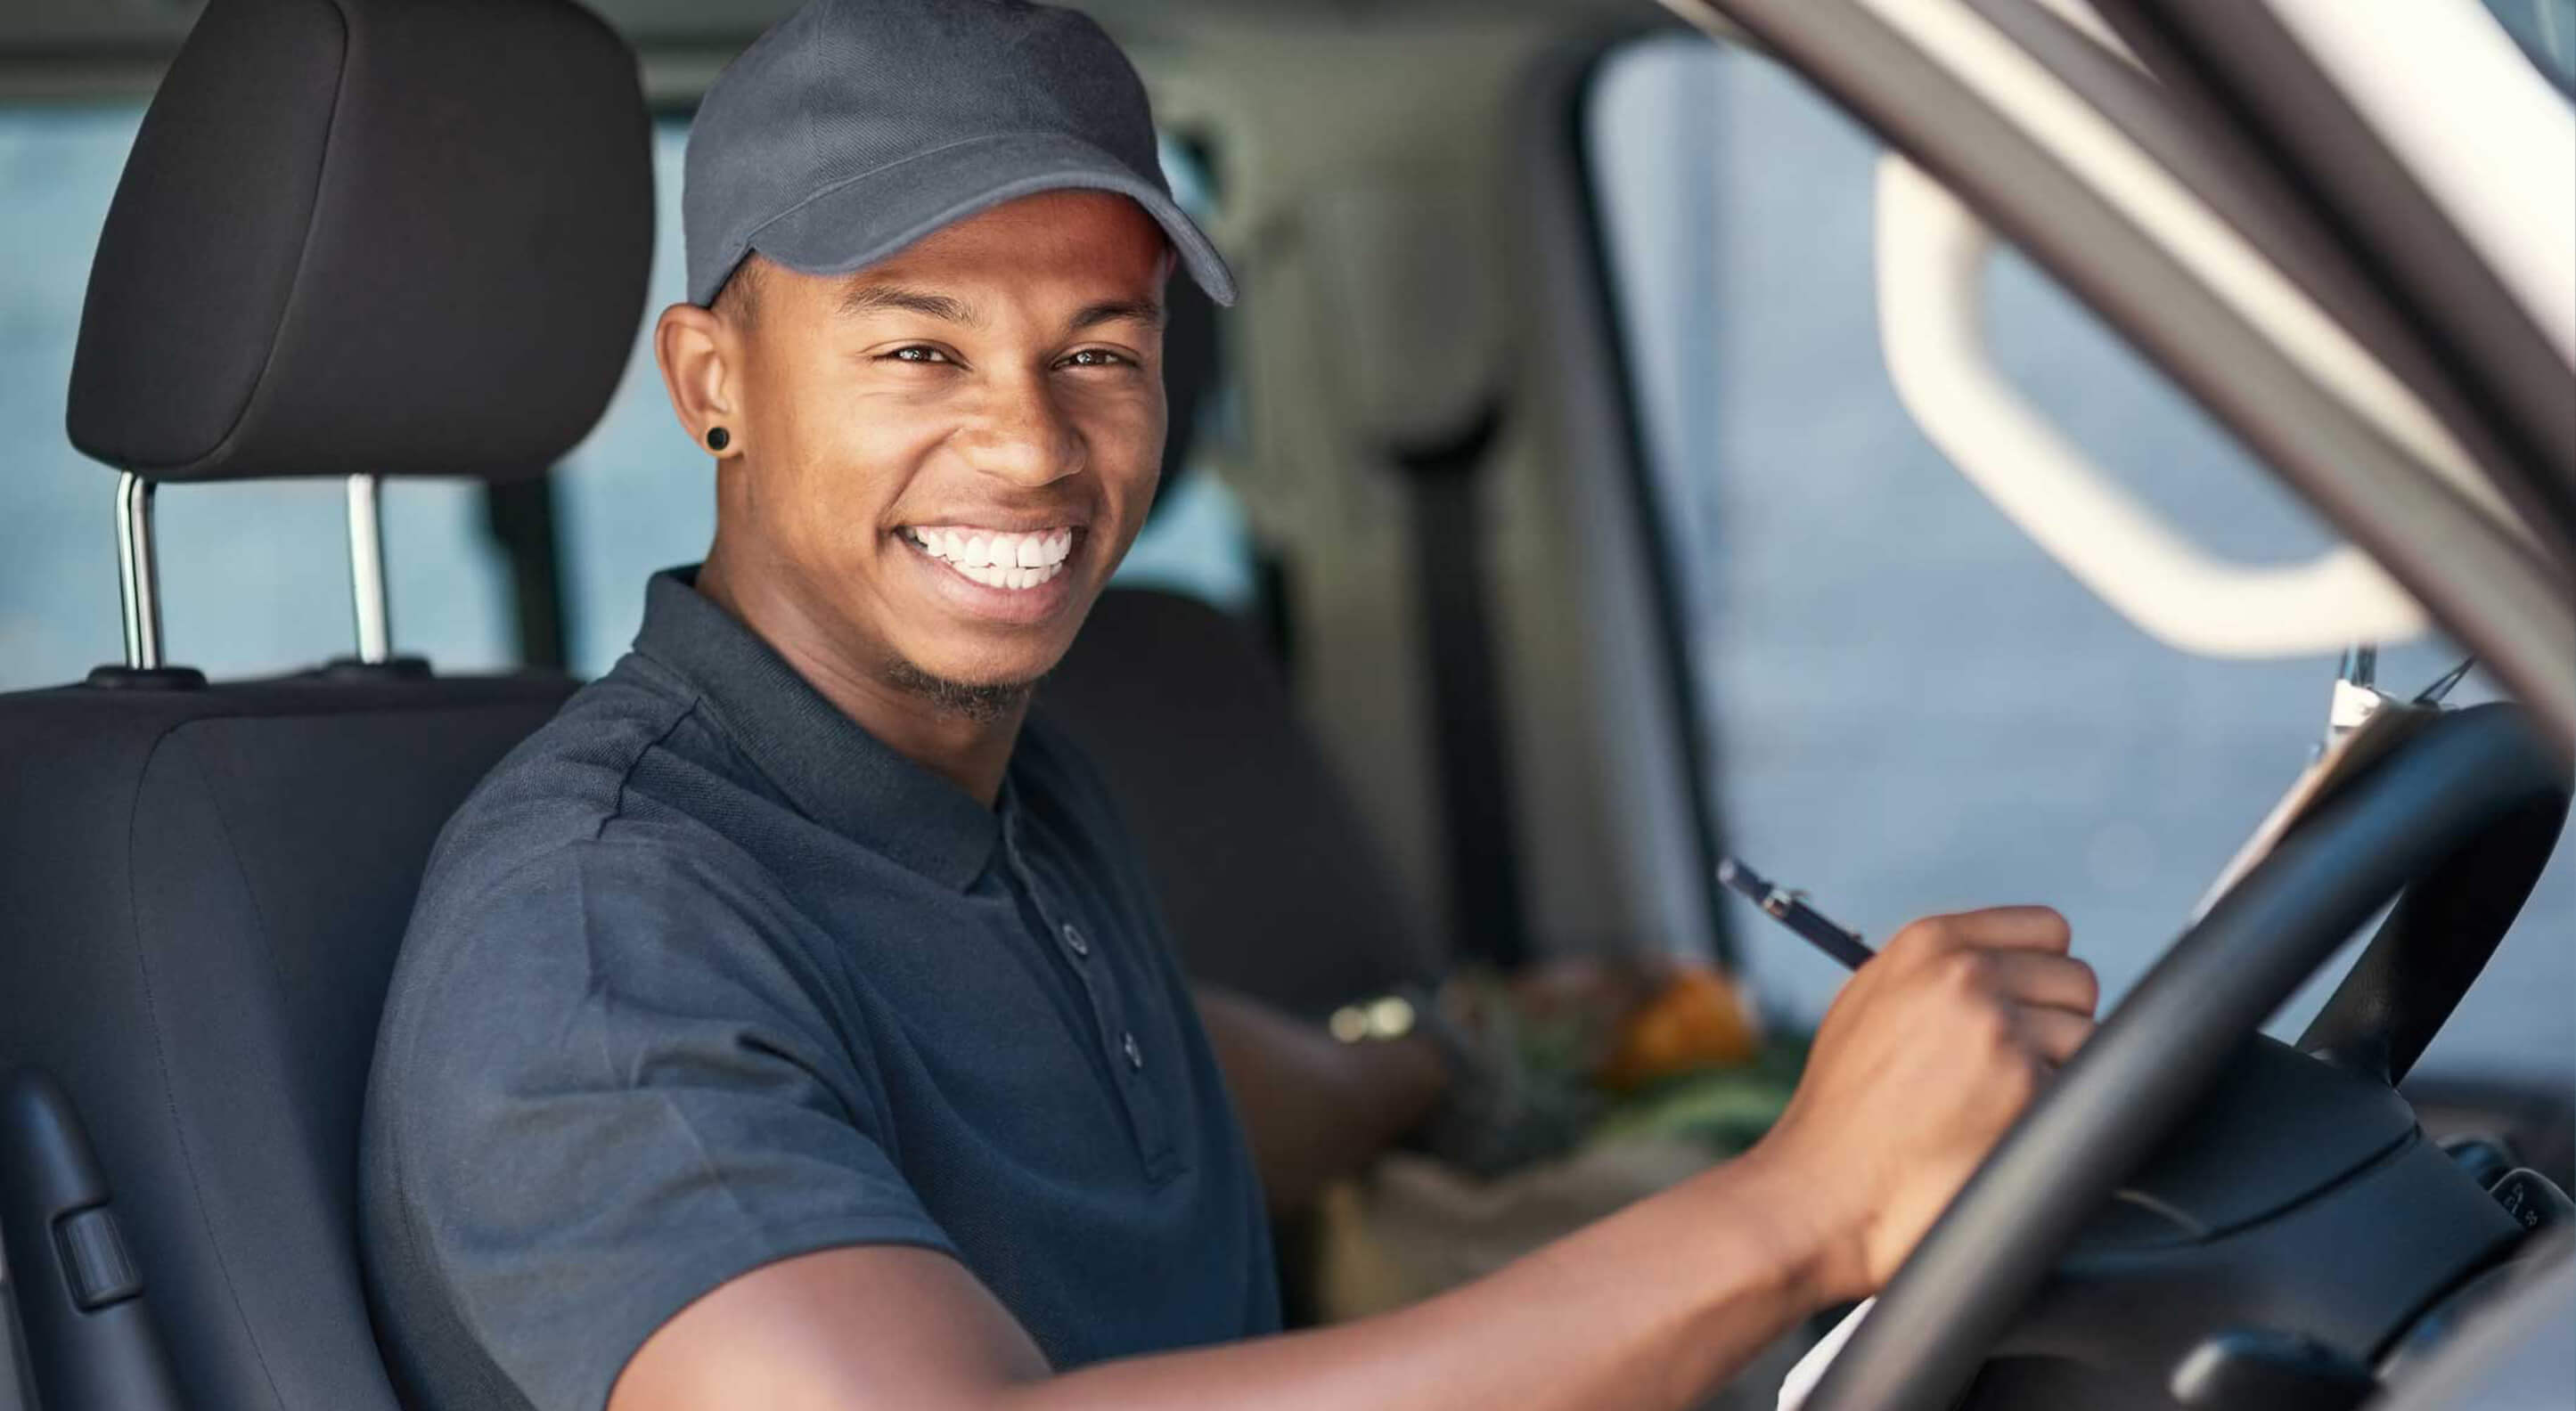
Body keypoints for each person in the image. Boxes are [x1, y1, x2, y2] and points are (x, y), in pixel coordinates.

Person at [356, 3, 2101, 1409]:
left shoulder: (997, 790)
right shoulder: (597, 939)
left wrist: (1455, 1054)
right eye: (920, 351)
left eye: (1098, 351)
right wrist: (1798, 1210)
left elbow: (1156, 1089)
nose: (1034, 446)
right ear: (709, 383)